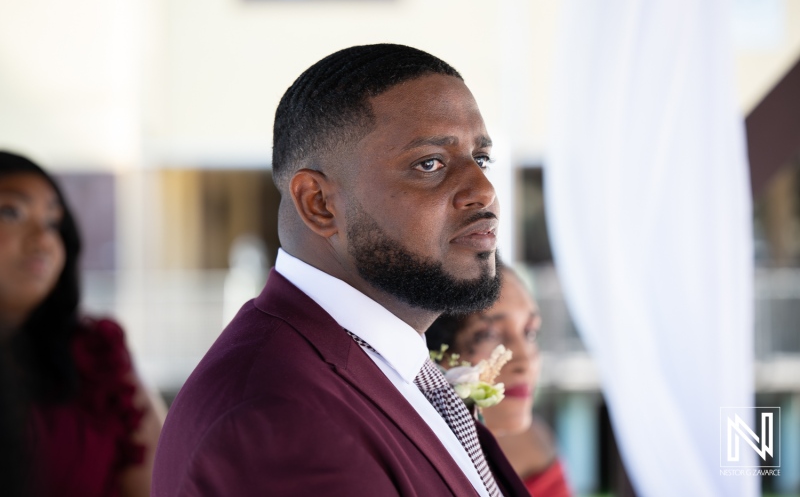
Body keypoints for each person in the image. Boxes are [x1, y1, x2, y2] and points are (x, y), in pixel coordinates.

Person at [153, 44, 529, 496]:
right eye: (430, 164)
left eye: (481, 159)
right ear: (319, 203)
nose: (483, 190)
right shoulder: (276, 417)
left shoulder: (389, 368)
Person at [0, 150, 163, 496]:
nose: (43, 240)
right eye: (11, 212)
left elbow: (159, 483)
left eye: (52, 222)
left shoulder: (98, 358)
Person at [427, 265, 572, 497]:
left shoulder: (533, 447)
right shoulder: (406, 453)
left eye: (530, 332)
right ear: (434, 350)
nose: (525, 361)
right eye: (489, 334)